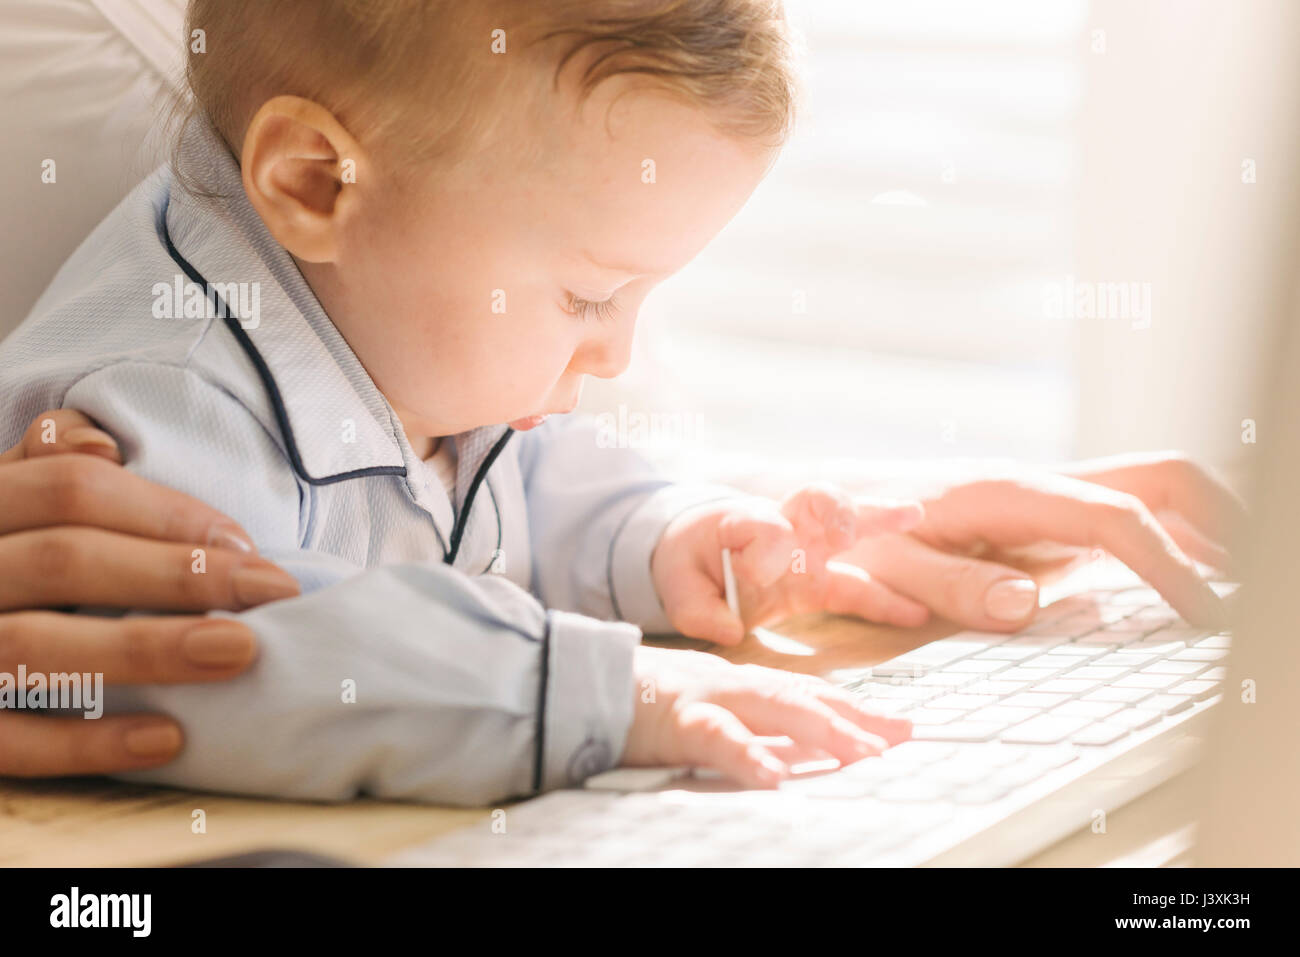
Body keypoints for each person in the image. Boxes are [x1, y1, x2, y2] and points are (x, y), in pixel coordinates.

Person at [0, 0, 1244, 804]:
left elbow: (493, 484)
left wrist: (664, 537)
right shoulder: (151, 409)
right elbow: (245, 659)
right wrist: (617, 694)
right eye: (591, 294)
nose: (613, 352)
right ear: (313, 181)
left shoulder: (379, 295)